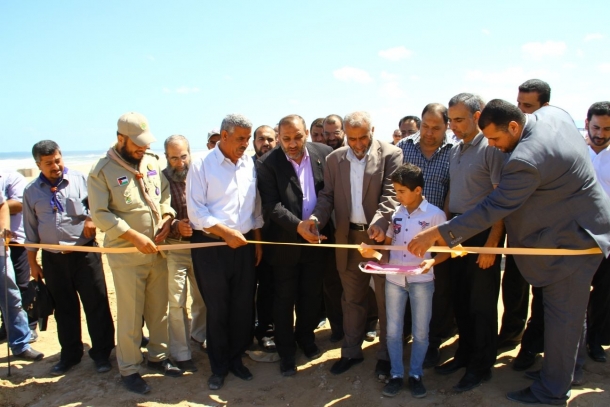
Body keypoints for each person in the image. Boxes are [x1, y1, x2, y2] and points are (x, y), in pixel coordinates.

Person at [408, 99, 610, 405]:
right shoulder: (549, 116)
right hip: (572, 227)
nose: (492, 145)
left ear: (514, 126)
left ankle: (552, 391)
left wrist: (438, 234)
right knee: (566, 316)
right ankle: (565, 372)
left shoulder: (525, 159)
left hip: (573, 243)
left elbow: (494, 206)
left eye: (495, 139)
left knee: (562, 318)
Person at [298, 111, 402, 378]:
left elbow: (392, 195)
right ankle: (351, 352)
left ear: (373, 131)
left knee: (384, 299)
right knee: (351, 298)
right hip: (347, 240)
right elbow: (328, 196)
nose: (357, 144)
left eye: (363, 137)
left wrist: (380, 223)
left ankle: (386, 355)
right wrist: (315, 219)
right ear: (345, 134)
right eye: (352, 138)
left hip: (380, 239)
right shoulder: (335, 159)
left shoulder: (391, 154)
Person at [88, 112, 181, 394]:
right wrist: (134, 236)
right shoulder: (102, 171)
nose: (141, 148)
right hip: (128, 255)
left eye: (144, 142)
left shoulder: (152, 162)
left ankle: (157, 355)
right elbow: (100, 214)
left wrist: (167, 217)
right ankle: (129, 367)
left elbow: (164, 194)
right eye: (136, 143)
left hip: (158, 251)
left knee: (158, 310)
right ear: (121, 139)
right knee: (130, 314)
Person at [22, 141, 115, 376]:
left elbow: (99, 206)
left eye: (57, 160)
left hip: (85, 255)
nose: (55, 166)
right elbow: (30, 230)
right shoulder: (31, 191)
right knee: (64, 309)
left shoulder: (81, 180)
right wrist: (33, 263)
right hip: (53, 260)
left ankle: (102, 354)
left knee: (97, 304)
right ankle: (70, 355)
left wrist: (92, 219)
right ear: (38, 164)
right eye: (48, 163)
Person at [434, 94, 506, 392]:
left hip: (482, 234)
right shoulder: (455, 150)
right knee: (460, 298)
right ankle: (464, 354)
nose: (453, 125)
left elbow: (500, 200)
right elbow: (453, 193)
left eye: (459, 120)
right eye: (451, 120)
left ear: (478, 117)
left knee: (481, 303)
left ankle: (481, 364)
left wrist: (491, 244)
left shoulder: (491, 150)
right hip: (457, 232)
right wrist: (446, 227)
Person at [186, 113, 263, 390]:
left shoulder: (248, 164)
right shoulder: (201, 165)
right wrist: (226, 233)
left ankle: (236, 359)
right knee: (218, 308)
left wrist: (254, 237)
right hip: (212, 247)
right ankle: (218, 367)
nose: (246, 144)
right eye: (241, 138)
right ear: (224, 136)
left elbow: (254, 206)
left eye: (248, 138)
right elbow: (196, 212)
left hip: (243, 247)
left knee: (243, 306)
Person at [256, 114, 333, 376]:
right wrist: (298, 227)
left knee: (311, 296)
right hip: (284, 245)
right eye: (286, 138)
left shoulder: (324, 153)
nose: (291, 143)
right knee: (284, 299)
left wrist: (314, 224)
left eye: (297, 137)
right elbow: (271, 206)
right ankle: (286, 352)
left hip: (317, 241)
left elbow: (328, 194)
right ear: (278, 137)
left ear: (307, 134)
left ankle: (306, 339)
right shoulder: (268, 163)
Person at [380, 164, 449, 398]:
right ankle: (397, 374)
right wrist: (376, 257)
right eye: (396, 191)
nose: (397, 196)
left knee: (421, 332)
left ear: (417, 189)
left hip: (422, 281)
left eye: (401, 191)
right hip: (395, 281)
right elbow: (388, 246)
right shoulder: (396, 213)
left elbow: (447, 251)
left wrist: (432, 262)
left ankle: (416, 374)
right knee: (392, 332)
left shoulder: (435, 215)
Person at [396, 104, 454, 368]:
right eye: (425, 126)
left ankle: (432, 343)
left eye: (436, 127)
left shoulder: (455, 152)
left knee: (436, 292)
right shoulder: (403, 148)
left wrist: (441, 229)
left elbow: (452, 192)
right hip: (404, 231)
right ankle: (405, 338)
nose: (429, 133)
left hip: (437, 230)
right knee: (405, 286)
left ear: (447, 126)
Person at [506, 79, 553, 369]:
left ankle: (531, 348)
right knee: (513, 286)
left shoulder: (550, 143)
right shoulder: (515, 138)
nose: (521, 112)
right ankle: (511, 333)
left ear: (544, 107)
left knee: (543, 295)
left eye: (528, 106)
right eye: (519, 105)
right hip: (516, 232)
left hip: (545, 235)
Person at [162, 135, 207, 372]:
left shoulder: (200, 174)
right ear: (166, 158)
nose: (179, 162)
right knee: (177, 301)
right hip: (174, 248)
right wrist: (175, 224)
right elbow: (159, 211)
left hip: (201, 247)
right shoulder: (161, 179)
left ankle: (199, 336)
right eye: (173, 158)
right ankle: (180, 352)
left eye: (183, 156)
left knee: (201, 297)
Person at [0, 192, 44, 362]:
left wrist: (4, 227)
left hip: (0, 254)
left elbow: (2, 205)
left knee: (11, 298)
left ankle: (20, 344)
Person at [585, 101, 610, 363]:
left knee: (603, 293)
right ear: (587, 123)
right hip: (577, 236)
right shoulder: (576, 153)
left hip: (608, 239)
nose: (600, 134)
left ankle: (594, 342)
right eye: (596, 127)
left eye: (606, 129)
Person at [0, 170, 38, 342]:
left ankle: (29, 326)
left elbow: (18, 204)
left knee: (20, 288)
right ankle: (8, 328)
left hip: (16, 241)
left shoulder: (11, 176)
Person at [251, 125, 277, 351]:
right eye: (261, 139)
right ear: (253, 142)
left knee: (271, 287)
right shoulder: (244, 167)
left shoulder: (282, 165)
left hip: (276, 237)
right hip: (248, 238)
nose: (265, 143)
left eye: (270, 139)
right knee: (248, 288)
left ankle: (268, 331)